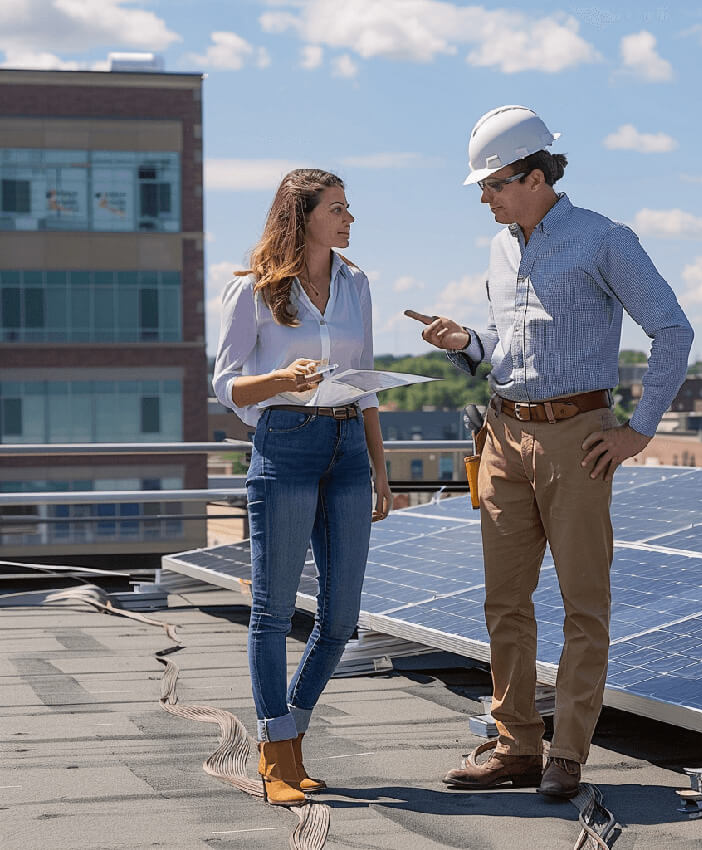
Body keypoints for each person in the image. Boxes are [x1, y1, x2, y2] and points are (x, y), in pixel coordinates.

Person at [408, 106, 693, 799]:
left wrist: (639, 430)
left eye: (493, 184)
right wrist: (468, 345)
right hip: (504, 434)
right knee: (504, 601)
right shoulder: (503, 248)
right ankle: (515, 746)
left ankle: (568, 751)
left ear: (535, 176)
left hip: (578, 441)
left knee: (581, 602)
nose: (486, 198)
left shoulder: (605, 240)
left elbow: (673, 331)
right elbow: (512, 351)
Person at [213, 168, 392, 806]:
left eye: (349, 207)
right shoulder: (255, 290)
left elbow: (366, 380)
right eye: (337, 208)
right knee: (273, 609)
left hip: (348, 448)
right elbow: (227, 386)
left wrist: (380, 466)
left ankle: (289, 730)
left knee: (341, 616)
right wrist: (282, 378)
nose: (348, 219)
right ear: (303, 215)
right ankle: (278, 755)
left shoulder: (357, 284)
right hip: (284, 446)